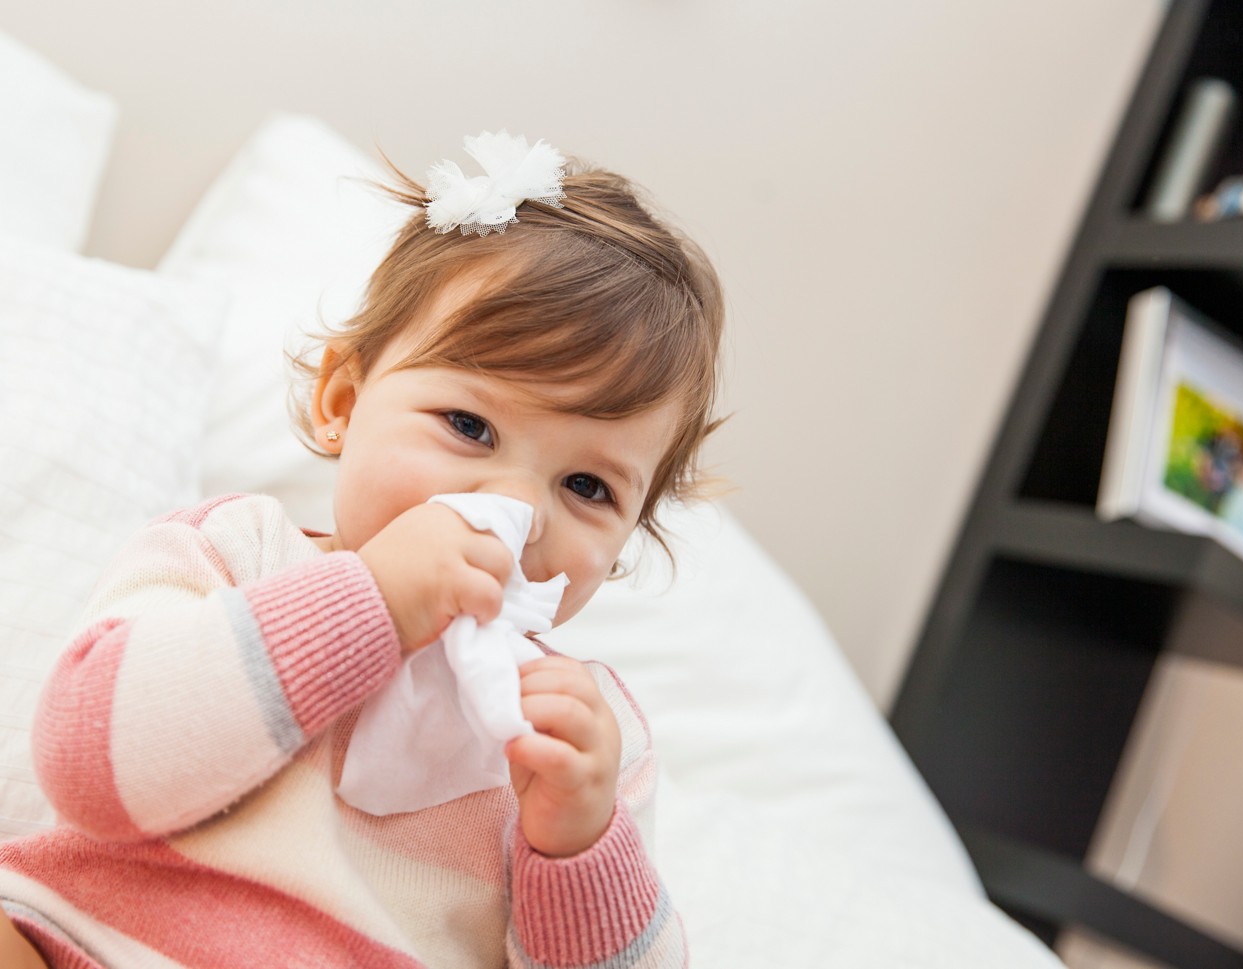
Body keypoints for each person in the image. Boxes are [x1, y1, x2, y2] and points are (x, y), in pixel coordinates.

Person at [0, 131, 723, 969]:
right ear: (343, 399)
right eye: (470, 426)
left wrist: (577, 846)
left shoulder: (585, 739)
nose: (517, 510)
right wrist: (369, 599)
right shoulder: (238, 553)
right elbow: (83, 760)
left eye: (589, 488)